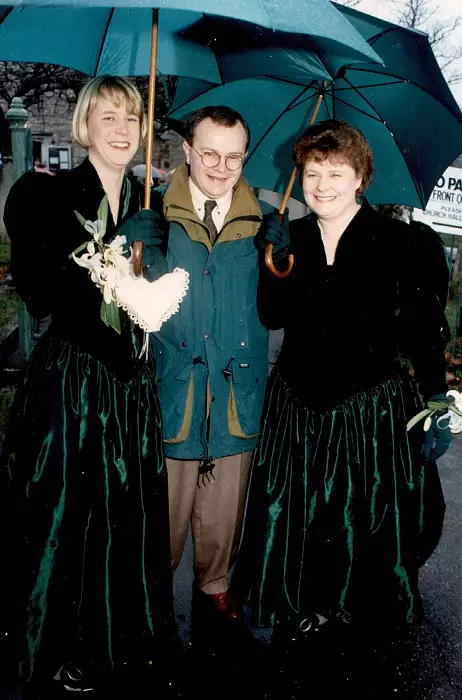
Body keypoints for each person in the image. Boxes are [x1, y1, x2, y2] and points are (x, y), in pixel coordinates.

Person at [233, 119, 451, 645]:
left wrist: (437, 399)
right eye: (312, 172)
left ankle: (358, 605)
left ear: (360, 178)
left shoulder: (403, 242)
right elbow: (271, 316)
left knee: (361, 513)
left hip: (368, 407)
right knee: (300, 511)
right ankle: (304, 601)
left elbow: (423, 331)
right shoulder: (292, 237)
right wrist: (273, 262)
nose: (322, 184)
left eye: (336, 171)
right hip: (299, 402)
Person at [1, 75, 183, 695]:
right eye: (107, 117)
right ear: (83, 127)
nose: (122, 129)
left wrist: (151, 259)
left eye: (132, 118)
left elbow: (150, 306)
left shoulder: (149, 201)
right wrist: (113, 244)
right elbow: (43, 294)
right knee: (63, 519)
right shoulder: (47, 196)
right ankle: (47, 646)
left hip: (129, 388)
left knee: (119, 521)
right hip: (73, 386)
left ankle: (107, 641)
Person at [146, 105, 269, 648]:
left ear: (246, 157)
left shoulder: (268, 221)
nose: (221, 167)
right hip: (175, 386)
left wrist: (289, 261)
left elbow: (289, 306)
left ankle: (215, 582)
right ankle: (150, 592)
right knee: (163, 509)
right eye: (210, 153)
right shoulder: (152, 213)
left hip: (236, 389)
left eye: (234, 156)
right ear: (188, 150)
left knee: (224, 507)